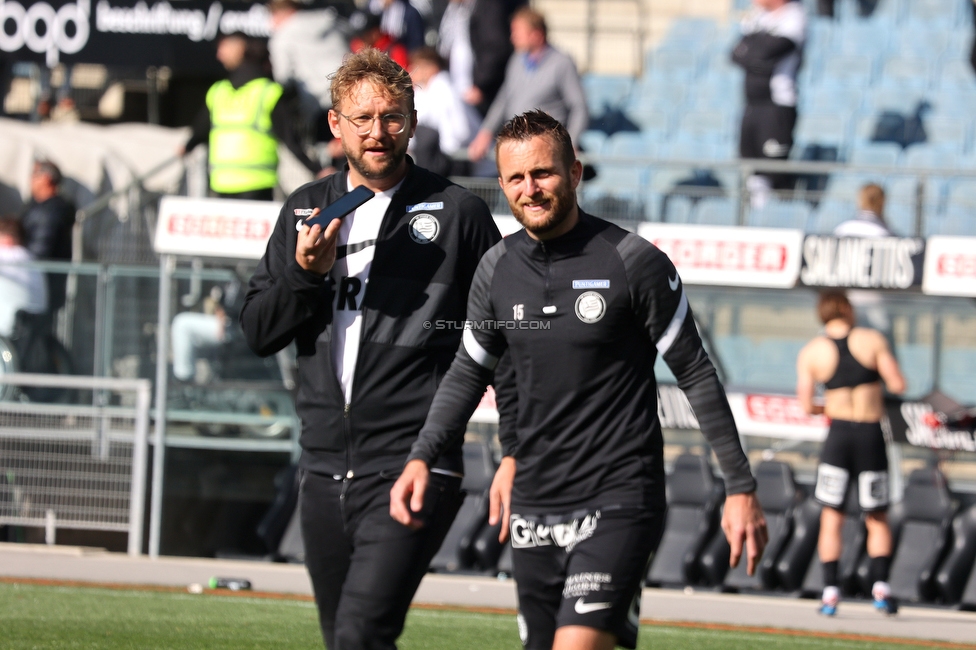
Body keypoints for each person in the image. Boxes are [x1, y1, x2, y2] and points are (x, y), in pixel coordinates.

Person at [391, 110, 767, 650]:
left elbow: (697, 375)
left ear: (575, 172)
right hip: (534, 503)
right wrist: (423, 456)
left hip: (619, 494)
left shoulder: (634, 262)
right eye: (516, 179)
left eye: (543, 173)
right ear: (501, 185)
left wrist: (740, 487)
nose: (530, 189)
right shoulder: (496, 269)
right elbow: (471, 372)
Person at [240, 49, 505, 649]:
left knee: (361, 632)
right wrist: (305, 274)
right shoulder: (307, 210)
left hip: (413, 463)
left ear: (412, 120)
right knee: (346, 640)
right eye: (361, 118)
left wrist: (514, 451)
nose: (377, 132)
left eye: (391, 116)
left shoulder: (459, 212)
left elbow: (506, 343)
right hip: (323, 470)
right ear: (336, 125)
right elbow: (259, 331)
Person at [796, 291, 905, 617]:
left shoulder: (812, 351)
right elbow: (897, 384)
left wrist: (828, 403)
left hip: (838, 437)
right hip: (870, 435)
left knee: (832, 516)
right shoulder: (872, 340)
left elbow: (806, 405)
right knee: (877, 516)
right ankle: (881, 589)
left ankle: (830, 592)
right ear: (845, 308)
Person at [182, 32, 324, 201]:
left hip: (222, 182)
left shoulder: (218, 91)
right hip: (257, 184)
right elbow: (291, 140)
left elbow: (200, 130)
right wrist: (317, 169)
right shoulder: (269, 91)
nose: (218, 56)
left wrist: (186, 147)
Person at [467, 7, 588, 163]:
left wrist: (571, 142)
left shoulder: (562, 63)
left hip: (548, 149)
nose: (512, 37)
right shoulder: (516, 60)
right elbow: (503, 99)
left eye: (517, 32)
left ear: (536, 34)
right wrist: (485, 132)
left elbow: (579, 107)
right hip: (517, 147)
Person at [731, 0, 806, 209]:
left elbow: (770, 51)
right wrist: (755, 53)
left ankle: (781, 213)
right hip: (752, 103)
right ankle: (755, 214)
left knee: (773, 167)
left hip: (778, 104)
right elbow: (735, 54)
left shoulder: (794, 15)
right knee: (749, 165)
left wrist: (754, 50)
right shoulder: (757, 15)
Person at [267, 0, 350, 143]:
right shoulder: (330, 22)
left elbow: (282, 78)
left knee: (331, 153)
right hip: (351, 94)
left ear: (279, 13)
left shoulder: (282, 37)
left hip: (319, 105)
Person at [833, 183, 894, 338]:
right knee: (881, 346)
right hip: (875, 301)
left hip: (845, 300)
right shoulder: (884, 233)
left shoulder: (843, 229)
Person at [408, 46, 480, 176]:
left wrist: (444, 156)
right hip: (446, 163)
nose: (411, 71)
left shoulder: (444, 88)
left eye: (416, 67)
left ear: (431, 68)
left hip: (462, 165)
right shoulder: (423, 91)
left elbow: (460, 130)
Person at [438, 0, 514, 118]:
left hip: (479, 90)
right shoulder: (454, 9)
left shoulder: (488, 6)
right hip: (457, 87)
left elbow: (496, 47)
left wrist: (481, 85)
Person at [20, 159, 74, 323]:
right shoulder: (37, 207)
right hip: (38, 284)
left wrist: (19, 262)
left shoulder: (52, 210)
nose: (30, 179)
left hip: (43, 285)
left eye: (34, 174)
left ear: (46, 179)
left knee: (35, 335)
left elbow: (40, 249)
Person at [0, 215, 47, 338]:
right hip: (36, 321)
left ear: (8, 239)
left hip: (9, 325)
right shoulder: (30, 258)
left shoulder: (6, 254)